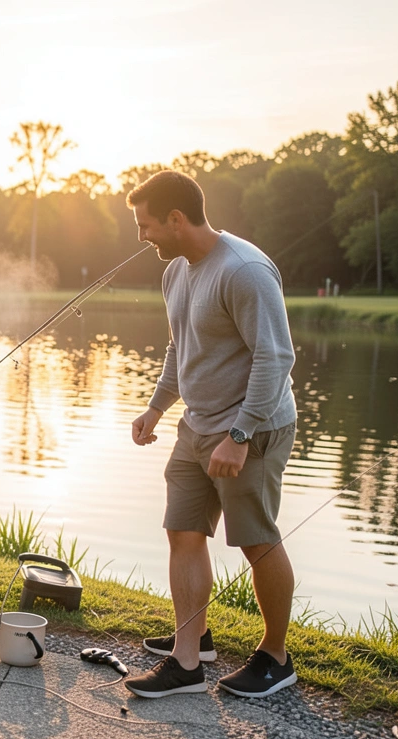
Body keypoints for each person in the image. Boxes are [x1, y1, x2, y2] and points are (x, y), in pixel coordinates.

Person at [124, 170, 299, 700]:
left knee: (256, 540)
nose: (142, 236)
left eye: (146, 225)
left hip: (253, 428)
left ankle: (275, 656)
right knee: (183, 531)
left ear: (177, 219)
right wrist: (156, 408)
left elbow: (276, 356)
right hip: (195, 427)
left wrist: (240, 434)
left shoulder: (244, 271)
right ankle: (189, 655)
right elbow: (182, 345)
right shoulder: (177, 270)